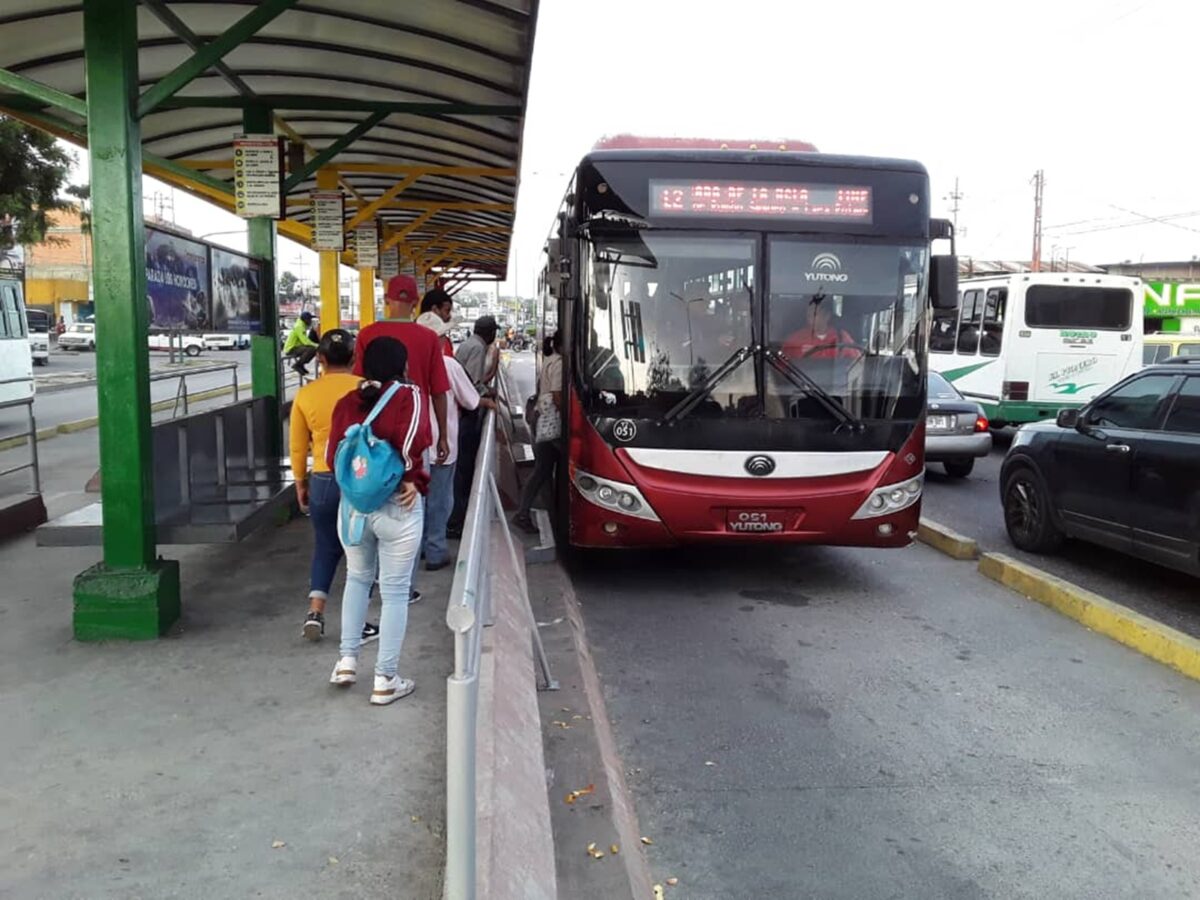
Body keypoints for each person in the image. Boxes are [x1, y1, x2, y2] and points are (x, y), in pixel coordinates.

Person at [326, 337, 431, 705]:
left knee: (357, 579)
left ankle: (346, 660)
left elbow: (331, 457)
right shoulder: (409, 396)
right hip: (397, 506)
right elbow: (415, 443)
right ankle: (386, 678)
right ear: (402, 367)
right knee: (395, 592)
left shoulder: (344, 404)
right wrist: (414, 480)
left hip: (353, 510)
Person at [354, 274, 452, 602]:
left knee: (367, 503)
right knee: (409, 510)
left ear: (386, 298)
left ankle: (366, 584)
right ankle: (402, 587)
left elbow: (357, 388)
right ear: (414, 302)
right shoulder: (427, 338)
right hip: (414, 434)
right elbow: (439, 392)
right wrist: (442, 436)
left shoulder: (367, 334)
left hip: (371, 436)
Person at [290, 329, 380, 644]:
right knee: (364, 551)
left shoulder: (306, 394)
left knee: (326, 545)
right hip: (359, 478)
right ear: (355, 359)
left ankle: (315, 611)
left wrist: (301, 482)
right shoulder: (368, 390)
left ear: (320, 359)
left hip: (324, 479)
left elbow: (298, 447)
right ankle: (360, 622)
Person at [416, 312, 494, 569]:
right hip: (442, 443)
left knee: (417, 501)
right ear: (439, 339)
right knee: (440, 498)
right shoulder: (447, 365)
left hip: (413, 445)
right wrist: (489, 402)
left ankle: (417, 551)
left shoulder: (408, 363)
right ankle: (436, 550)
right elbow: (470, 399)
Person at [448, 315, 499, 537]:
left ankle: (456, 516)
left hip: (459, 410)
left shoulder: (468, 344)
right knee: (464, 468)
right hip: (467, 414)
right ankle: (457, 520)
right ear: (490, 333)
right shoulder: (478, 348)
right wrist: (486, 397)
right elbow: (471, 384)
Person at [514, 332, 563, 534]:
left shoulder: (549, 359)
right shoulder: (559, 363)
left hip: (540, 418)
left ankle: (552, 513)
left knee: (545, 468)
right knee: (543, 469)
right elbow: (558, 396)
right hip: (550, 423)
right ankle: (523, 514)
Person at [781, 296, 861, 361]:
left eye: (814, 314)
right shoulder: (795, 339)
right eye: (808, 315)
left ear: (827, 316)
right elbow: (782, 365)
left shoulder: (842, 337)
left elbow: (857, 362)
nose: (810, 318)